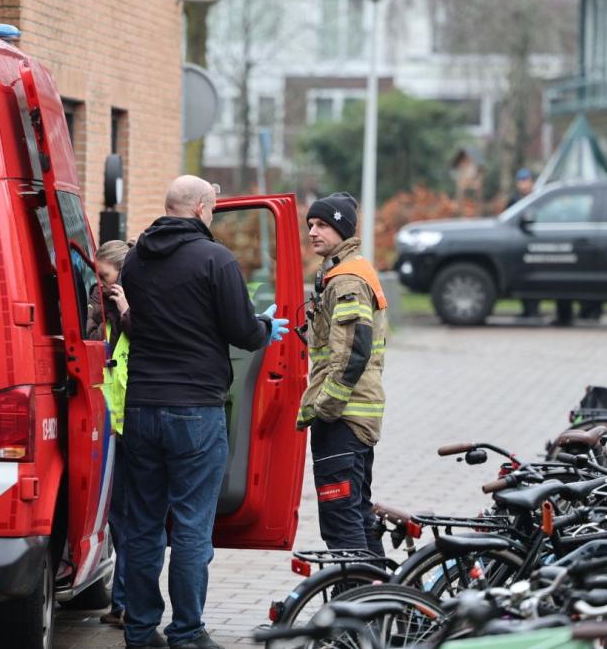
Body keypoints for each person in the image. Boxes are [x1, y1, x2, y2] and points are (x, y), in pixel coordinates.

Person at [119, 175, 288, 649]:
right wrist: (265, 326)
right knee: (192, 526)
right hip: (195, 409)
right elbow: (242, 332)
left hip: (142, 407)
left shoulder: (135, 260)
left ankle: (139, 631)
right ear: (199, 209)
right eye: (212, 208)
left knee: (143, 526)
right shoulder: (215, 259)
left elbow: (138, 322)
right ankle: (187, 632)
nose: (212, 215)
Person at [297, 192, 389, 557]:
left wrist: (325, 408)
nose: (313, 232)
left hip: (343, 417)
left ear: (342, 229)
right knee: (358, 515)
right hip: (357, 416)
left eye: (322, 224)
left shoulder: (346, 279)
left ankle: (355, 590)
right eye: (310, 225)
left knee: (341, 521)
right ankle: (378, 589)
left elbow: (353, 352)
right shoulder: (345, 270)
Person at [87, 240, 133, 628]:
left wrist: (124, 309)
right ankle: (120, 602)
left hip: (131, 425)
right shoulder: (98, 306)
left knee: (131, 520)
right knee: (117, 519)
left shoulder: (136, 307)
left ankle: (126, 603)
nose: (100, 285)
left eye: (105, 277)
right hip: (105, 425)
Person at [508, 169, 543, 319]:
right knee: (522, 277)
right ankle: (526, 310)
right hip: (519, 244)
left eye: (526, 181)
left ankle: (534, 310)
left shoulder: (538, 198)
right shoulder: (514, 200)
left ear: (531, 182)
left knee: (535, 277)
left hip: (535, 242)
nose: (523, 184)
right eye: (521, 181)